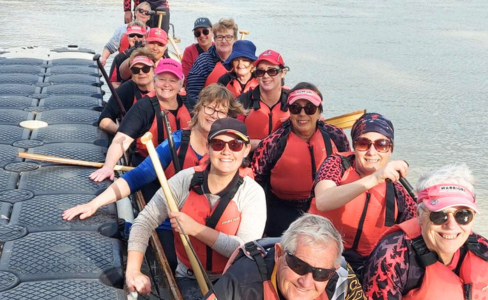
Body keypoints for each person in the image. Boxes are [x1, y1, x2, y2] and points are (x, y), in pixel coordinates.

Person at [63, 84, 246, 274]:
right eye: (209, 107)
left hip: (213, 226)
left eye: (221, 111)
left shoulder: (231, 154)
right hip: (172, 221)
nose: (214, 115)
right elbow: (136, 177)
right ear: (198, 108)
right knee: (171, 261)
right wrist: (94, 204)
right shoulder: (176, 142)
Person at [125, 118, 267, 300]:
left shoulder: (252, 193)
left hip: (234, 278)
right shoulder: (184, 180)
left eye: (235, 145)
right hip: (189, 277)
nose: (226, 151)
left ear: (246, 149)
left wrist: (196, 229)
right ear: (208, 147)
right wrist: (133, 271)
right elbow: (144, 222)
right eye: (218, 144)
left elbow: (245, 250)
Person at [310, 113, 416, 275]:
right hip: (319, 250)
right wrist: (375, 178)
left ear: (391, 149)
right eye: (363, 144)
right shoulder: (336, 164)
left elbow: (418, 227)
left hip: (366, 264)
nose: (372, 152)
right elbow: (323, 201)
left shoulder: (398, 191)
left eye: (381, 145)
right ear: (354, 146)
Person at [362, 164, 488, 300]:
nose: (451, 225)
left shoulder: (482, 249)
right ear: (418, 215)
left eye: (463, 215)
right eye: (439, 215)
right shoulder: (391, 258)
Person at [253, 82, 350, 237]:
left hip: (323, 206)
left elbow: (349, 170)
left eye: (310, 108)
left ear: (319, 112)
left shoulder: (336, 136)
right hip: (281, 208)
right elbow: (256, 181)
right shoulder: (272, 142)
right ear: (289, 112)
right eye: (296, 108)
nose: (302, 114)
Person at [205, 214, 365, 300]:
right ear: (279, 254)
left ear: (333, 271)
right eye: (298, 266)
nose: (306, 282)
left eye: (321, 274)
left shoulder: (343, 279)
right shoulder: (240, 286)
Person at [90, 58, 191, 183]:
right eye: (162, 79)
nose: (166, 84)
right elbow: (121, 140)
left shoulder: (191, 104)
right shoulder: (143, 107)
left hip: (185, 170)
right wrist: (108, 166)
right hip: (150, 170)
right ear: (154, 81)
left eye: (172, 80)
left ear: (181, 84)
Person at [236, 49, 290, 150]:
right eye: (260, 71)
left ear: (282, 73)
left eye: (272, 71)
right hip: (250, 160)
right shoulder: (244, 101)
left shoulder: (292, 101)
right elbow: (232, 138)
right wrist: (261, 144)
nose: (266, 76)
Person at [99, 48, 156, 134]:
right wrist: (123, 131)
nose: (141, 73)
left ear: (154, 69)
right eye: (136, 70)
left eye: (146, 69)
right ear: (131, 73)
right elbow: (103, 120)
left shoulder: (163, 90)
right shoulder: (125, 90)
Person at [186, 18, 238, 108]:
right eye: (220, 37)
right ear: (215, 39)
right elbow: (192, 95)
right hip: (210, 111)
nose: (224, 41)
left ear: (235, 40)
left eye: (228, 37)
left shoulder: (241, 63)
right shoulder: (203, 61)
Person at [101, 1, 152, 67]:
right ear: (135, 12)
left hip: (143, 68)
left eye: (147, 12)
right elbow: (110, 47)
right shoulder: (122, 29)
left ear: (149, 17)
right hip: (123, 64)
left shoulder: (151, 32)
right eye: (141, 10)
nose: (143, 13)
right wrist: (103, 59)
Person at [108, 21, 146, 88]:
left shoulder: (150, 55)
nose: (135, 38)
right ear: (127, 37)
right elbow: (113, 82)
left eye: (139, 35)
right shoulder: (120, 57)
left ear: (144, 37)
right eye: (132, 35)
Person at [182, 17, 214, 84]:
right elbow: (185, 78)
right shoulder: (189, 51)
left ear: (212, 32)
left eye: (205, 31)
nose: (202, 35)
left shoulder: (219, 48)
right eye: (197, 33)